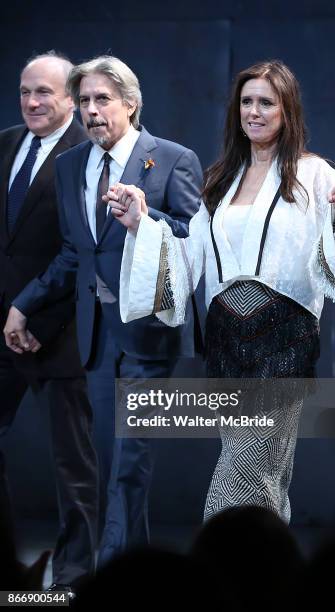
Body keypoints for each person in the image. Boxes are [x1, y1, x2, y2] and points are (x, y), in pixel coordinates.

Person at [107, 60, 335, 523]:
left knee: (241, 480)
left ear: (288, 110)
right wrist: (141, 227)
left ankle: (220, 575)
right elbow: (192, 260)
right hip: (227, 345)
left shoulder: (315, 175)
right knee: (267, 485)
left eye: (266, 102)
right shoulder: (221, 178)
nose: (254, 111)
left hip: (283, 341)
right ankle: (268, 580)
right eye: (247, 101)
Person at [4, 56, 203, 564]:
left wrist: (145, 218)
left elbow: (195, 241)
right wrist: (23, 305)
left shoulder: (174, 159)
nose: (92, 112)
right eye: (86, 101)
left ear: (130, 106)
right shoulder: (72, 165)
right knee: (113, 460)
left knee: (129, 461)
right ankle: (129, 569)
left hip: (147, 332)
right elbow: (75, 253)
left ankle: (110, 572)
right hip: (94, 337)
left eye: (102, 100)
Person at [0, 52, 98, 592]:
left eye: (45, 93)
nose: (32, 102)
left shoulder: (88, 155)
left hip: (59, 335)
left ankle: (75, 581)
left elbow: (80, 251)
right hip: (2, 329)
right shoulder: (6, 142)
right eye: (24, 91)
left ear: (71, 99)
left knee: (74, 469)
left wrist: (40, 318)